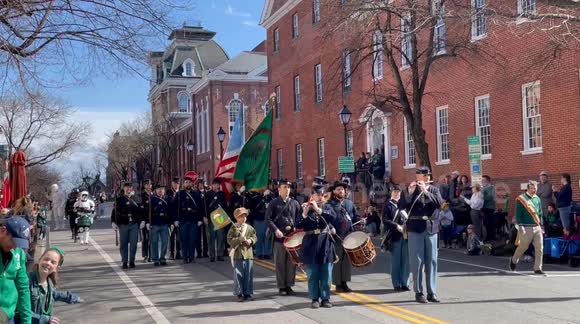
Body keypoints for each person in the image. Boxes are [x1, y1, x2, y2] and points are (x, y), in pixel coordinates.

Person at [404, 167, 443, 303]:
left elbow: (440, 204)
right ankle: (419, 292)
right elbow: (402, 206)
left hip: (431, 228)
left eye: (424, 175)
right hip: (415, 228)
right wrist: (409, 193)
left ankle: (432, 292)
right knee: (417, 262)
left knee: (432, 261)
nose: (422, 177)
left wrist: (426, 192)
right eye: (420, 175)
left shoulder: (434, 190)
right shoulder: (411, 188)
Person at [295, 185, 337, 309]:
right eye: (317, 195)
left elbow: (333, 218)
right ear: (311, 196)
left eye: (321, 194)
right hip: (311, 243)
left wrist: (318, 209)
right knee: (313, 273)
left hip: (325, 243)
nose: (319, 197)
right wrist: (304, 214)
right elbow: (298, 225)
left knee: (326, 273)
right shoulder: (305, 208)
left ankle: (325, 298)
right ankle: (314, 298)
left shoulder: (327, 207)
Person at [28, 247, 82, 324]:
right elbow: (19, 310)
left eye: (53, 262)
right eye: (46, 259)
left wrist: (69, 297)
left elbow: (53, 294)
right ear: (40, 260)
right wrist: (44, 319)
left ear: (56, 268)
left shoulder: (49, 283)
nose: (48, 263)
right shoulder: (26, 281)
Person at [266, 179, 301, 296]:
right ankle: (281, 286)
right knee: (280, 263)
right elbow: (268, 219)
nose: (287, 189)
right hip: (279, 237)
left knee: (291, 263)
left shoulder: (295, 203)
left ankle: (289, 285)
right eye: (285, 187)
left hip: (292, 237)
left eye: (288, 187)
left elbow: (299, 218)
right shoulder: (274, 203)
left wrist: (297, 227)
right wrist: (275, 230)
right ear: (279, 189)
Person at [326, 180, 360, 293]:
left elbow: (355, 216)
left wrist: (360, 221)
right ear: (334, 191)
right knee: (337, 260)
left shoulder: (349, 203)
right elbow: (327, 220)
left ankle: (344, 282)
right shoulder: (329, 205)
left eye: (342, 189)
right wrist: (331, 227)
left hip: (348, 236)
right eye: (338, 189)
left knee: (346, 261)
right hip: (336, 237)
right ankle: (338, 284)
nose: (341, 191)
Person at [0, 216, 32, 324]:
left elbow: (23, 287)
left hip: (9, 316)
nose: (15, 247)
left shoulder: (19, 253)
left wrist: (27, 321)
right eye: (13, 242)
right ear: (3, 231)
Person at [509, 181, 545, 275]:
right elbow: (518, 213)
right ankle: (514, 260)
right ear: (528, 189)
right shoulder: (521, 199)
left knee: (540, 248)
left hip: (537, 227)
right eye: (533, 188)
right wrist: (520, 226)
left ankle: (537, 268)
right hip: (526, 227)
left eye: (536, 188)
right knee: (523, 247)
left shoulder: (537, 199)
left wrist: (542, 224)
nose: (534, 190)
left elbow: (540, 212)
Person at [382, 186, 410, 292]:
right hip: (395, 235)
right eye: (395, 192)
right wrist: (396, 226)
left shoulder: (404, 205)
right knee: (396, 261)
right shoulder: (388, 205)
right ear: (391, 193)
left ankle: (405, 283)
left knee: (406, 261)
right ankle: (396, 283)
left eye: (398, 192)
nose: (397, 193)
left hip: (406, 235)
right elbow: (385, 220)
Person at [227, 207, 257, 302]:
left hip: (248, 254)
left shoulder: (249, 228)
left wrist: (250, 240)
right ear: (236, 218)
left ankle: (247, 293)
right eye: (241, 216)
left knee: (248, 274)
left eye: (245, 216)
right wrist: (239, 239)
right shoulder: (233, 228)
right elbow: (229, 240)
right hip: (237, 254)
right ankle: (239, 293)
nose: (243, 218)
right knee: (238, 274)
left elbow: (254, 237)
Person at [175, 174, 203, 264]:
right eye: (186, 182)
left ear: (192, 184)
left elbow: (200, 207)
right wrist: (175, 219)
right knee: (184, 240)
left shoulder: (196, 194)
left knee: (192, 239)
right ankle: (184, 257)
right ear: (183, 184)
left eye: (189, 182)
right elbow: (175, 208)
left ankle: (191, 257)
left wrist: (200, 219)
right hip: (183, 220)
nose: (187, 184)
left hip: (193, 220)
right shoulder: (179, 194)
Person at [112, 182, 141, 269]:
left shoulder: (136, 199)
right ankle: (124, 261)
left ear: (132, 189)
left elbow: (140, 212)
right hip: (123, 224)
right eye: (126, 187)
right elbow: (115, 212)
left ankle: (132, 261)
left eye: (130, 188)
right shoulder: (120, 199)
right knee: (123, 244)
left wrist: (142, 221)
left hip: (134, 224)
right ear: (124, 189)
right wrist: (113, 222)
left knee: (133, 244)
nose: (128, 189)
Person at [206, 179, 228, 262]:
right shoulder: (208, 194)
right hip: (211, 216)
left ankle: (220, 254)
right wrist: (205, 216)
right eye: (213, 184)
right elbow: (204, 207)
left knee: (221, 236)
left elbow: (225, 205)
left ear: (219, 185)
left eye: (216, 184)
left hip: (220, 217)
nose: (215, 186)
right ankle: (211, 255)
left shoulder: (222, 194)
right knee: (211, 236)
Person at [245, 190, 270, 260]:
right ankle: (259, 253)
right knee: (259, 236)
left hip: (267, 219)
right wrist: (262, 197)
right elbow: (252, 207)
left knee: (266, 237)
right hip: (258, 219)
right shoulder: (255, 197)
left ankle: (266, 253)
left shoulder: (269, 197)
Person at [149, 184, 170, 266]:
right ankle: (155, 259)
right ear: (155, 190)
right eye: (159, 189)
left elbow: (170, 212)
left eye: (162, 189)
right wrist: (148, 222)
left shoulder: (167, 199)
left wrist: (170, 223)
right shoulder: (152, 200)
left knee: (165, 242)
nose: (160, 191)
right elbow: (149, 212)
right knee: (154, 242)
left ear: (164, 191)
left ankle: (162, 258)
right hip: (154, 224)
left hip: (164, 224)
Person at [167, 177, 181, 260]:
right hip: (171, 220)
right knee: (172, 237)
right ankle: (172, 253)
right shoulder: (168, 193)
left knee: (179, 237)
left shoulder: (181, 193)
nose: (176, 185)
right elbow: (169, 208)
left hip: (179, 219)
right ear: (172, 184)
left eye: (178, 183)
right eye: (175, 183)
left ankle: (178, 252)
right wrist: (171, 222)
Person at [139, 179, 153, 263]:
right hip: (144, 221)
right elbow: (141, 210)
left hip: (152, 220)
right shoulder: (142, 196)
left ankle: (151, 255)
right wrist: (143, 220)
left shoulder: (153, 195)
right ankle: (145, 255)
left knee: (152, 238)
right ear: (144, 186)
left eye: (150, 185)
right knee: (145, 239)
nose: (148, 186)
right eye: (147, 184)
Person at [195, 180, 209, 259]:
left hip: (206, 217)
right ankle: (199, 252)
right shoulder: (195, 193)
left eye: (202, 184)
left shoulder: (207, 193)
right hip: (199, 218)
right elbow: (197, 207)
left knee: (206, 236)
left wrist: (205, 217)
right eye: (199, 184)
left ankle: (205, 252)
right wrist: (200, 218)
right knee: (198, 237)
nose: (201, 185)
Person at [481, 175, 497, 241]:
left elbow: (490, 197)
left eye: (483, 180)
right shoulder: (483, 188)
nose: (482, 181)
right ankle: (488, 236)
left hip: (489, 207)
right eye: (482, 180)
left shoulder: (491, 188)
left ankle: (491, 237)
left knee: (489, 223)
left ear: (487, 181)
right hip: (484, 207)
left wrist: (481, 196)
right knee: (486, 223)